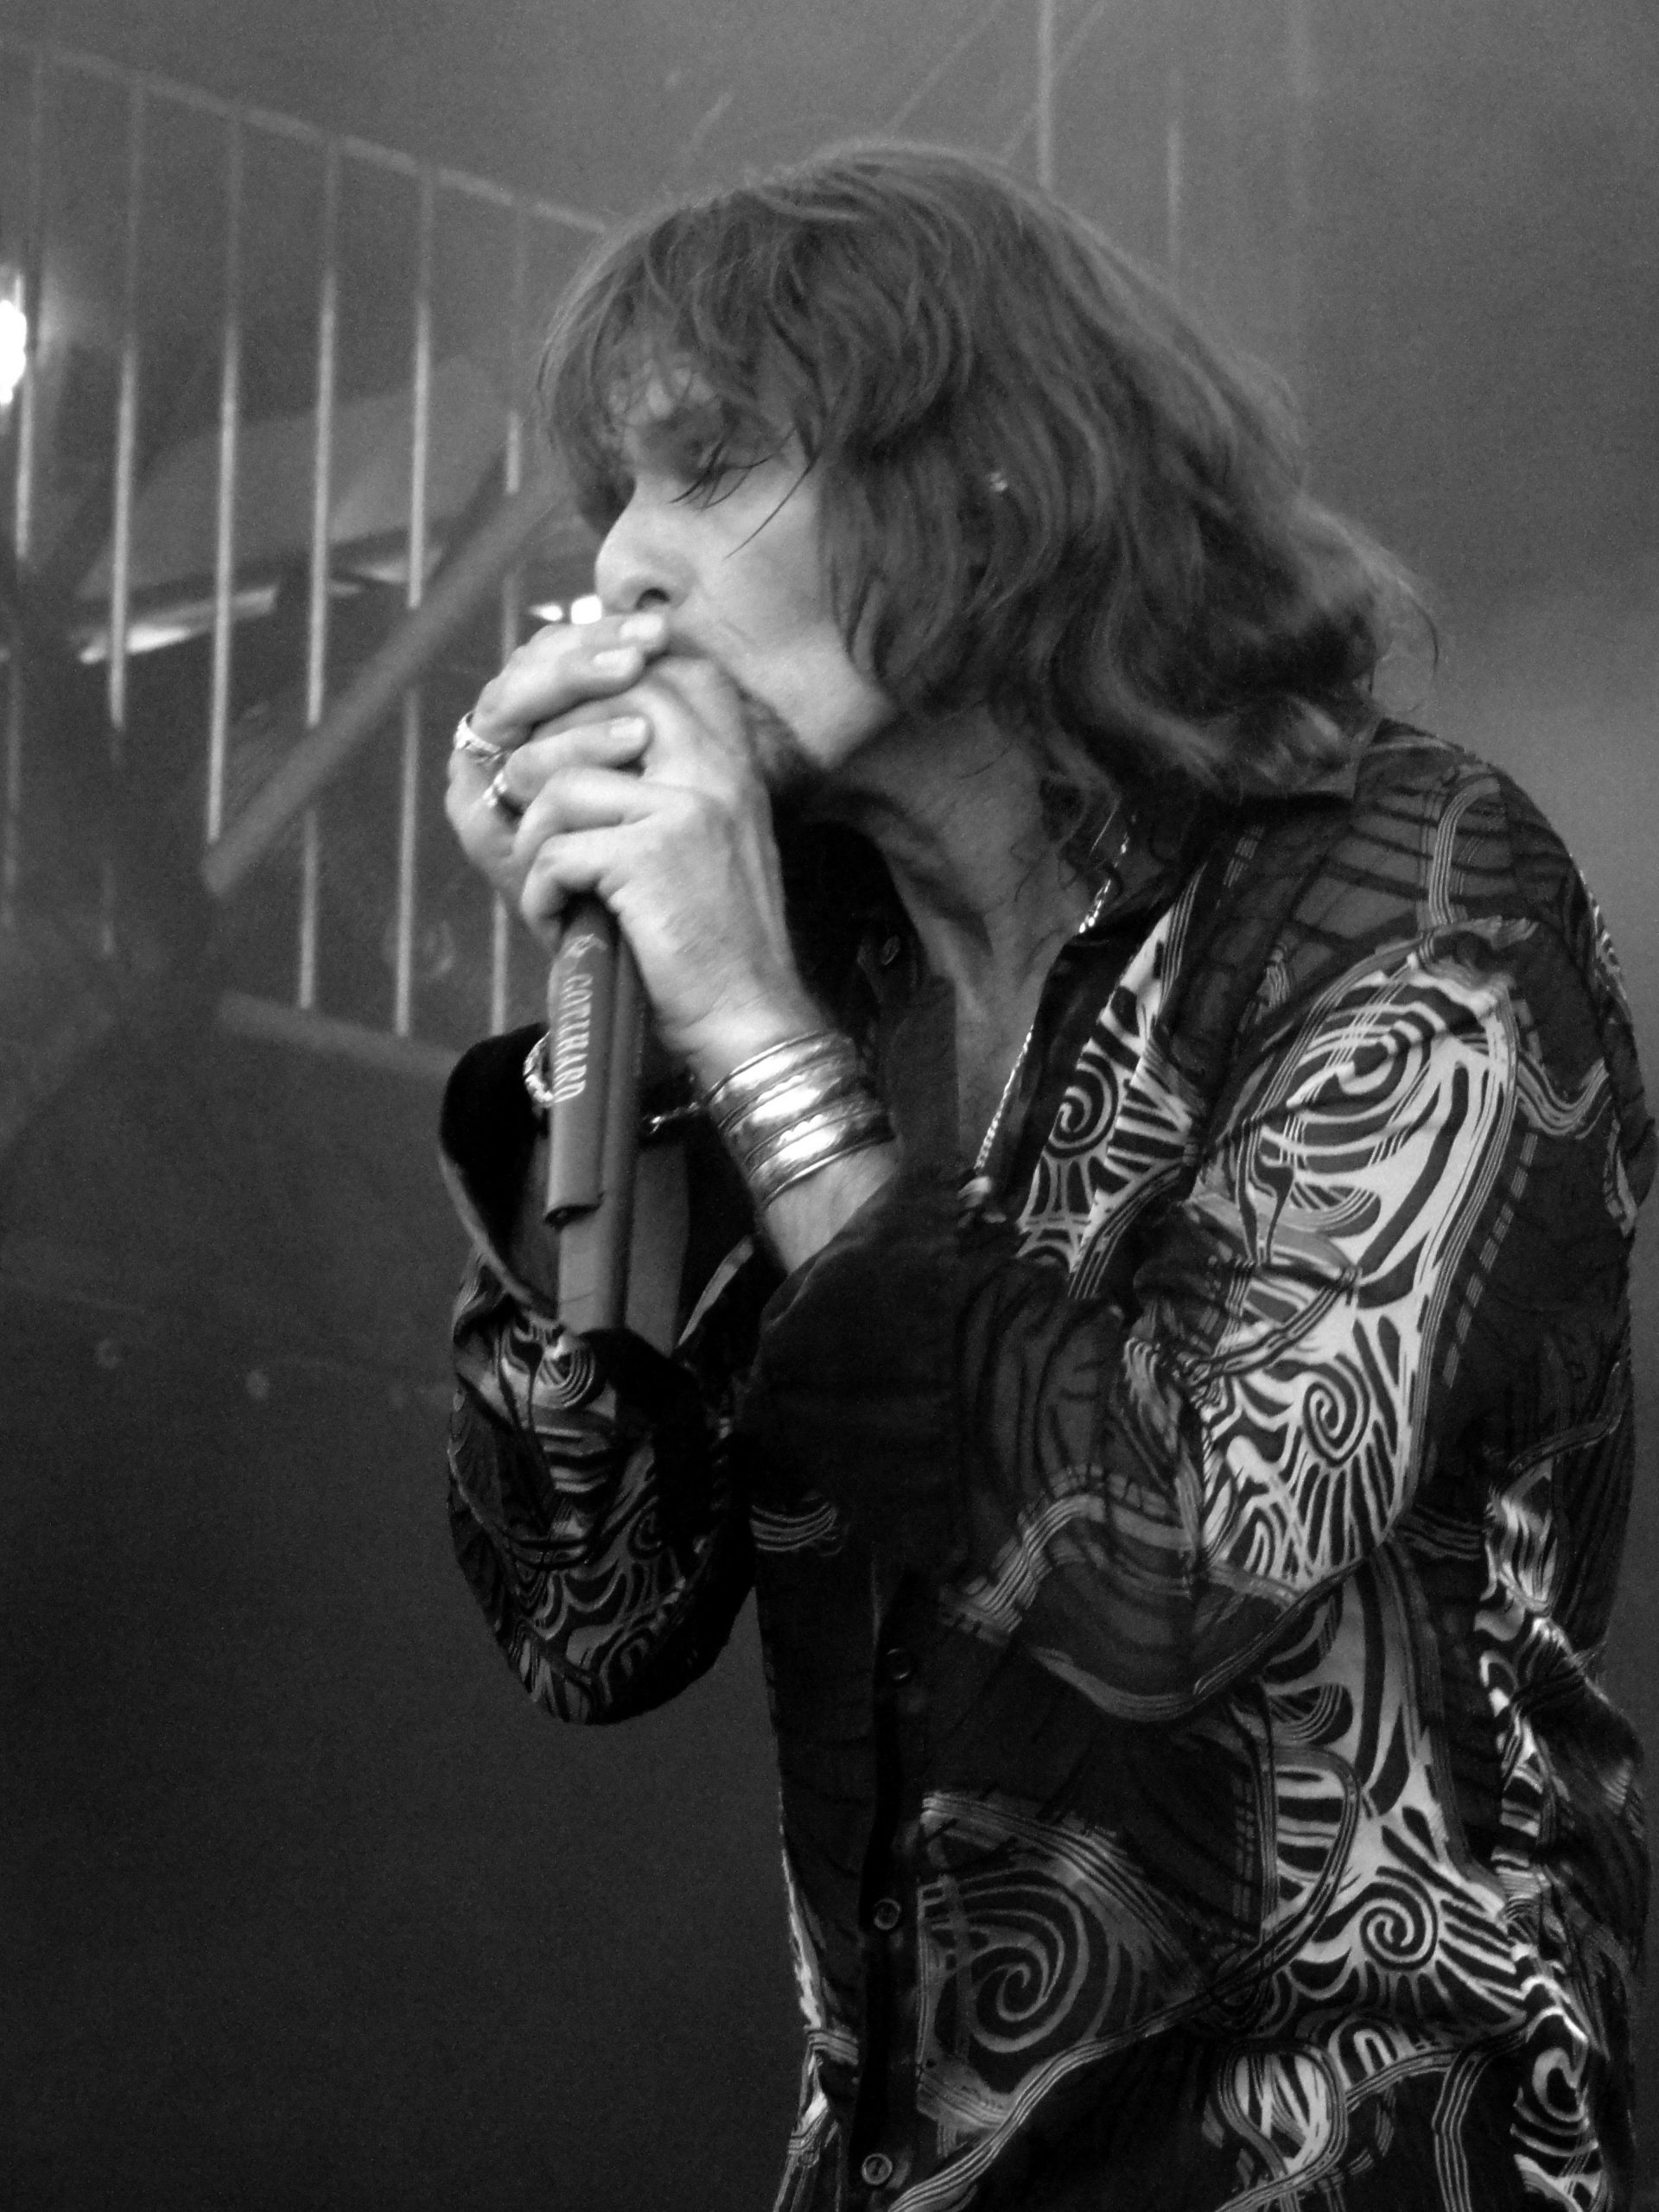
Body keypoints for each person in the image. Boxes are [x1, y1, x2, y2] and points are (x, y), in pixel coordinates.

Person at [439, 143, 1651, 2211]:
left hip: (1360, 2149)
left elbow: (1181, 1562)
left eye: (708, 466)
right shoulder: (828, 963)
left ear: (989, 489)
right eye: (612, 494)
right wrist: (610, 1011)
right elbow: (589, 1606)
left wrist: (744, 1021)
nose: (623, 563)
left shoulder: (1417, 890)